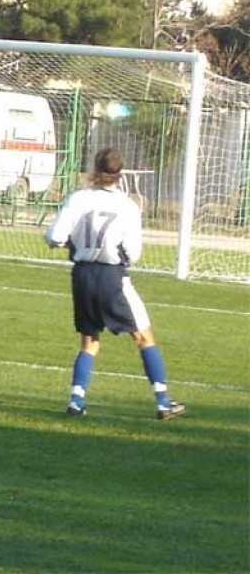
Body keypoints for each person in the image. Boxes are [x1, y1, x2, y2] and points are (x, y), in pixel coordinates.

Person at [45, 147, 186, 420]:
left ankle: (76, 401)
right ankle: (162, 402)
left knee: (89, 341)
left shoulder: (79, 198)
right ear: (120, 173)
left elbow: (55, 237)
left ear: (94, 169)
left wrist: (72, 244)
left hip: (82, 274)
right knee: (144, 337)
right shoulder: (127, 205)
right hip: (111, 276)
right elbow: (133, 253)